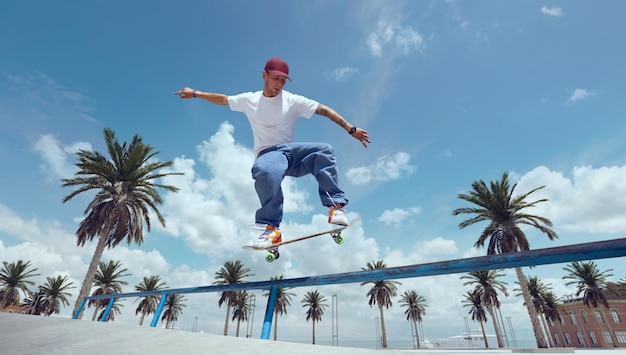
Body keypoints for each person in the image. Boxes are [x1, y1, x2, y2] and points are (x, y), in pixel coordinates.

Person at [175, 57, 370, 248]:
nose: (280, 84)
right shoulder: (249, 100)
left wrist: (351, 129)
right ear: (264, 75)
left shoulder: (292, 100)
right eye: (276, 78)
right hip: (270, 154)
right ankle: (271, 229)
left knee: (324, 150)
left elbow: (324, 110)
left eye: (284, 80)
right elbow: (223, 99)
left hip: (294, 156)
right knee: (265, 169)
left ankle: (335, 207)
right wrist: (195, 93)